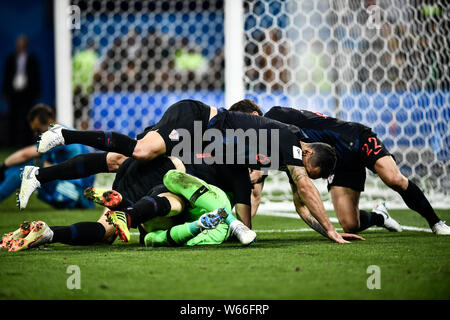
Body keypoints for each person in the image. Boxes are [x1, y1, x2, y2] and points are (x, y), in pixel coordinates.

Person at [29, 99, 356, 244]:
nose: (302, 174)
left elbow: (301, 201)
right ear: (309, 152)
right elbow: (304, 186)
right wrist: (332, 230)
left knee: (120, 163)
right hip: (197, 120)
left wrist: (323, 228)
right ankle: (64, 135)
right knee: (138, 153)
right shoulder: (291, 139)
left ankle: (47, 207)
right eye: (310, 170)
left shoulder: (266, 159)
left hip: (194, 142)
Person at [231, 103, 450, 235]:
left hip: (354, 140)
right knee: (349, 224)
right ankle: (380, 217)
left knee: (394, 179)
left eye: (245, 121)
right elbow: (300, 207)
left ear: (255, 114)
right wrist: (330, 231)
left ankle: (436, 222)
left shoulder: (276, 118)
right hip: (332, 162)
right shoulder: (282, 153)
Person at [3, 157, 255, 252]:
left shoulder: (202, 142)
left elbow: (110, 157)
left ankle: (49, 233)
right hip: (166, 182)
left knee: (105, 233)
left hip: (134, 174)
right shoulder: (238, 169)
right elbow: (247, 216)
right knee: (176, 200)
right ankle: (129, 212)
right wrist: (237, 224)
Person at [0, 104, 94, 209]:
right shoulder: (63, 131)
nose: (36, 134)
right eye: (34, 131)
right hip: (73, 190)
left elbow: (25, 154)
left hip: (77, 194)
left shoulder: (59, 136)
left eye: (38, 130)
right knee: (33, 164)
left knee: (30, 166)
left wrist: (3, 166)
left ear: (50, 121)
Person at [2, 35, 40, 147]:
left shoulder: (32, 59)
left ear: (26, 45)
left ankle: (28, 142)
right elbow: (7, 76)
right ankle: (12, 143)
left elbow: (36, 76)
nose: (20, 46)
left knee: (28, 118)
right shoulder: (11, 58)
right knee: (13, 117)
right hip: (14, 93)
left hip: (27, 93)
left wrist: (37, 91)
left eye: (22, 44)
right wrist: (4, 92)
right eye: (19, 44)